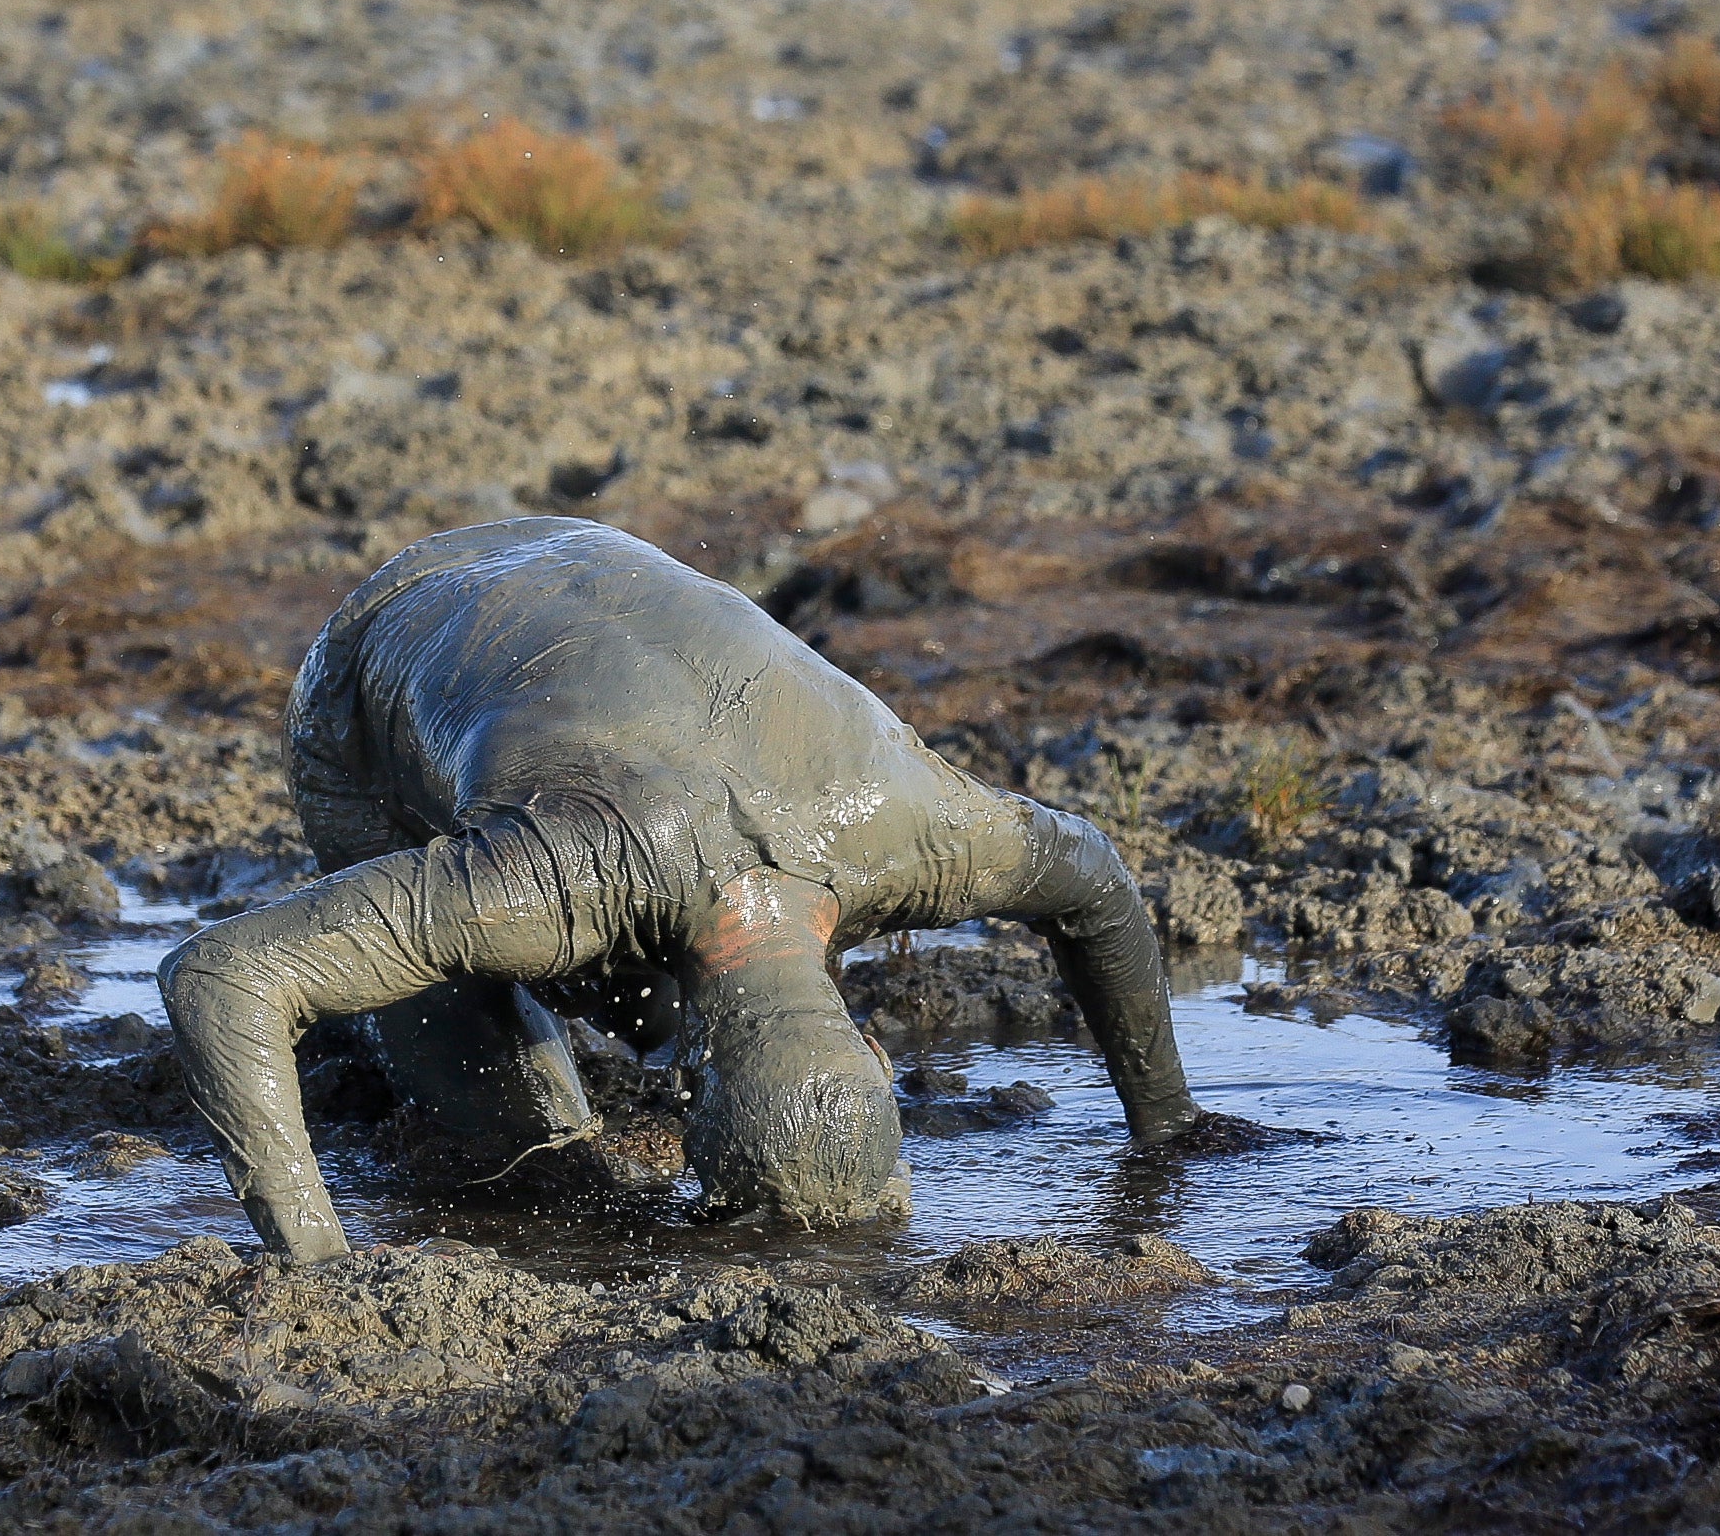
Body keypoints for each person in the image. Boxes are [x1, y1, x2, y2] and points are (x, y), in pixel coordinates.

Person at [159, 518, 1202, 1262]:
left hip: (593, 555)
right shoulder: (556, 879)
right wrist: (318, 1267)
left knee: (636, 992)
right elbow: (222, 977)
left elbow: (1094, 880)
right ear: (873, 1055)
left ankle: (606, 1006)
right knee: (517, 1153)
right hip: (370, 669)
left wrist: (1168, 1127)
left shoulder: (922, 827)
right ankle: (428, 1035)